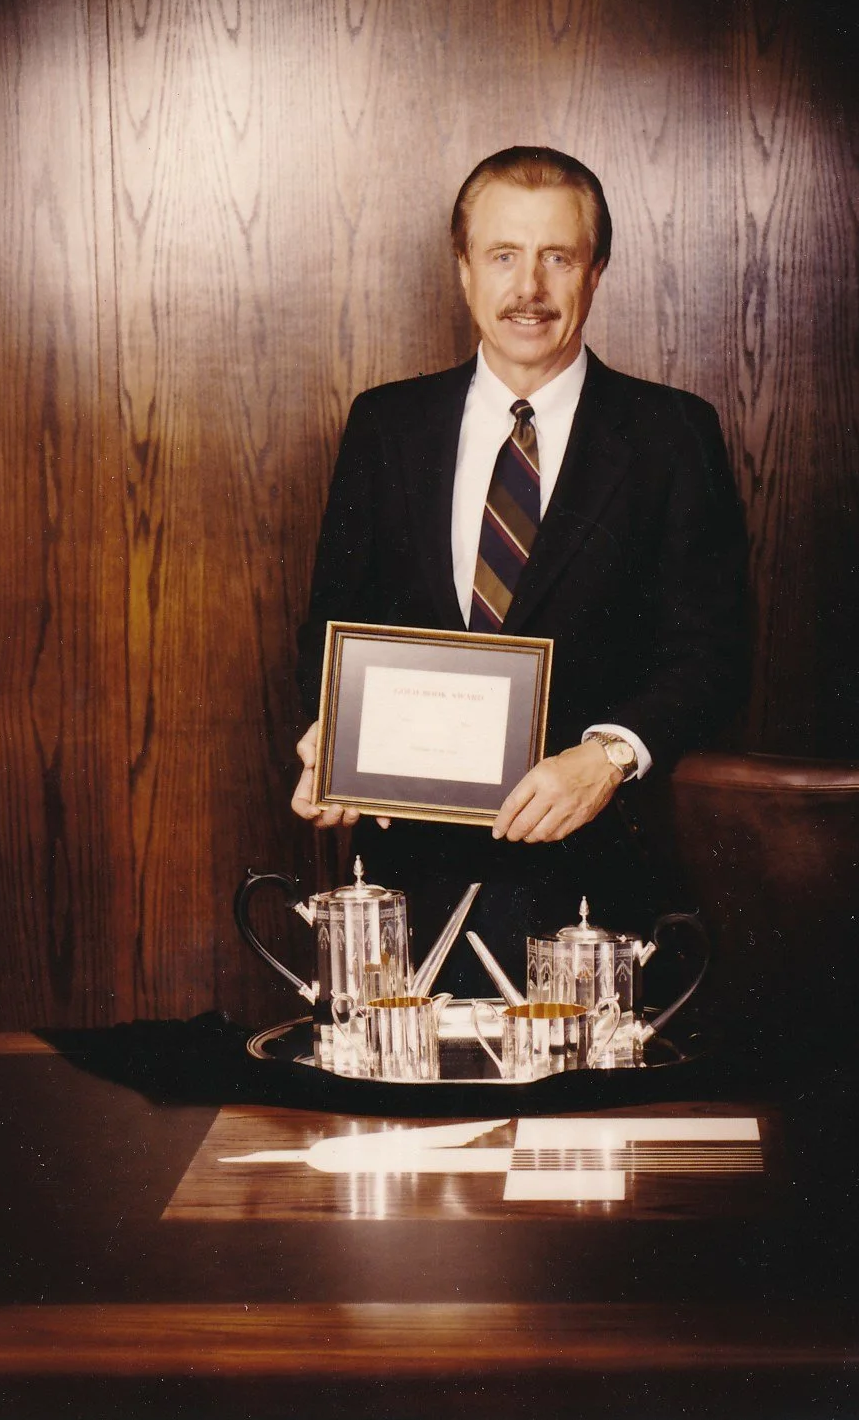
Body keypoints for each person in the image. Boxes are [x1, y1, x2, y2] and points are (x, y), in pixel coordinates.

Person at [291, 145, 748, 992]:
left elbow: (713, 655)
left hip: (594, 886)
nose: (528, 288)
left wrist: (607, 757)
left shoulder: (672, 435)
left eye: (557, 257)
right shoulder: (386, 426)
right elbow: (332, 623)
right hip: (407, 883)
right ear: (463, 270)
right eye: (503, 255)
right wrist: (332, 735)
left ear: (596, 272)